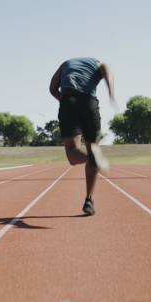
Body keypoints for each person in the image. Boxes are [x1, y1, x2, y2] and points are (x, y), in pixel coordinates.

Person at [49, 57, 115, 216]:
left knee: (73, 154)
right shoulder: (99, 63)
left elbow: (52, 88)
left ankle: (93, 157)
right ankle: (89, 200)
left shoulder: (65, 64)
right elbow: (107, 71)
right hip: (89, 103)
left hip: (68, 100)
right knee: (93, 148)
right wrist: (111, 92)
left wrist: (64, 101)